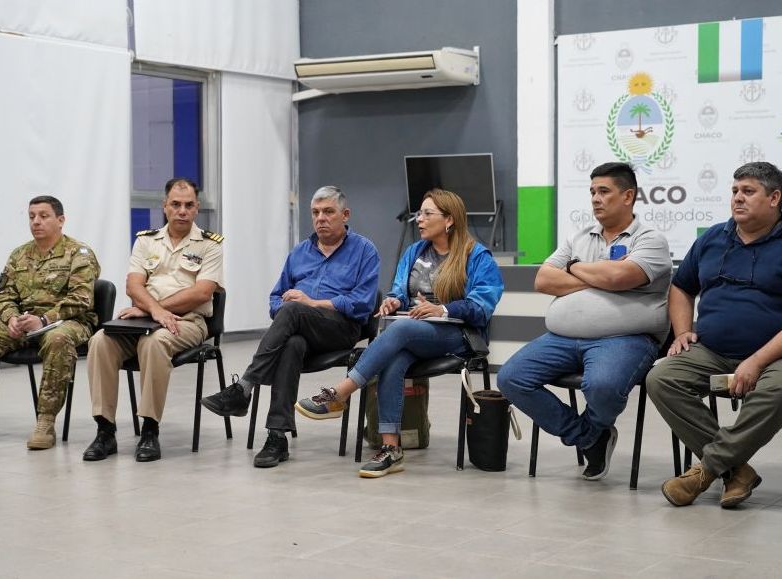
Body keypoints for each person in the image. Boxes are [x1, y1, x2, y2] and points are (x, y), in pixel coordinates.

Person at [296, 188, 503, 478]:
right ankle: (391, 449)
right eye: (419, 213)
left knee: (403, 328)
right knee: (394, 359)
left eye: (427, 213)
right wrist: (395, 300)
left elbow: (483, 306)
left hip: (460, 335)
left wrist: (442, 310)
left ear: (449, 220)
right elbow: (400, 291)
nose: (419, 219)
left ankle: (340, 393)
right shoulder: (414, 252)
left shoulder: (476, 255)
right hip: (416, 333)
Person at [497, 162, 671, 481]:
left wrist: (575, 268)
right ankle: (590, 436)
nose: (595, 199)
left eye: (604, 191)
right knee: (511, 378)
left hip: (627, 338)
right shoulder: (578, 237)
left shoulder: (650, 240)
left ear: (628, 195)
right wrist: (598, 274)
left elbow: (620, 276)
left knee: (601, 386)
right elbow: (544, 280)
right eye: (592, 191)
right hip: (563, 338)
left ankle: (591, 433)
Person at [199, 186, 379, 468]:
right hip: (301, 328)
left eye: (328, 212)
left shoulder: (365, 251)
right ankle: (276, 436)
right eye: (316, 212)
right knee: (292, 343)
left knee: (294, 309)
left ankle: (243, 389)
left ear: (345, 215)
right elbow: (275, 297)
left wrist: (312, 303)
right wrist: (285, 309)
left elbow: (363, 304)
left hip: (340, 330)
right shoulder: (299, 253)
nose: (321, 218)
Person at [647, 161, 782, 508]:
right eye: (735, 191)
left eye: (748, 191)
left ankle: (706, 470)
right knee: (662, 376)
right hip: (713, 350)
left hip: (773, 356)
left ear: (775, 198)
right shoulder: (712, 238)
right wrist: (683, 331)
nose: (737, 198)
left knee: (777, 389)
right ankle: (736, 471)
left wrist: (755, 361)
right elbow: (681, 287)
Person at [83, 178, 223, 462]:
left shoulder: (210, 245)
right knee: (100, 341)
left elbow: (202, 292)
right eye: (175, 204)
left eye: (188, 205)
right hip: (144, 321)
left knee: (154, 342)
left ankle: (149, 429)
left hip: (188, 322)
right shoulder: (146, 240)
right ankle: (105, 430)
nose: (181, 211)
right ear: (164, 206)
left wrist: (153, 310)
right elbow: (133, 285)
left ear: (197, 209)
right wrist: (154, 313)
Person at [0, 195, 99, 449]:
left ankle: (45, 421)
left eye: (44, 216)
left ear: (60, 220)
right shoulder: (20, 255)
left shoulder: (79, 254)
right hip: (25, 322)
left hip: (67, 322)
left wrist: (44, 319)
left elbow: (81, 300)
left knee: (57, 339)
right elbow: (4, 296)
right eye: (32, 216)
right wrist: (11, 317)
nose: (36, 222)